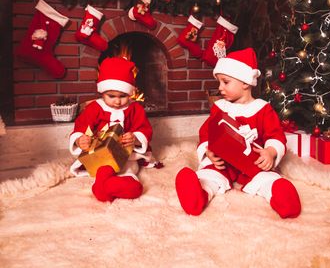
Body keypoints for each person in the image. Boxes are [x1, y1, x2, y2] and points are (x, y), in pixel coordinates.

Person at [175, 47, 301, 218]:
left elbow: (275, 135)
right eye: (219, 82)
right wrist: (208, 151)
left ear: (245, 82)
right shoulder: (220, 107)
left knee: (265, 177)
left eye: (225, 82)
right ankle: (199, 195)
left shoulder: (262, 109)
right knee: (210, 174)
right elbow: (206, 133)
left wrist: (271, 152)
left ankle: (280, 194)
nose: (220, 88)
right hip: (223, 162)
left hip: (253, 162)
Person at [69, 56, 153, 202]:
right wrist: (80, 140)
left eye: (123, 96)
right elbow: (81, 127)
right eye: (111, 96)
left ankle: (123, 184)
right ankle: (103, 182)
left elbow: (144, 128)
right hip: (100, 154)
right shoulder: (94, 108)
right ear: (102, 92)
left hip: (126, 154)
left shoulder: (135, 109)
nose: (117, 101)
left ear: (130, 93)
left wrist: (135, 138)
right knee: (104, 167)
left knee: (129, 168)